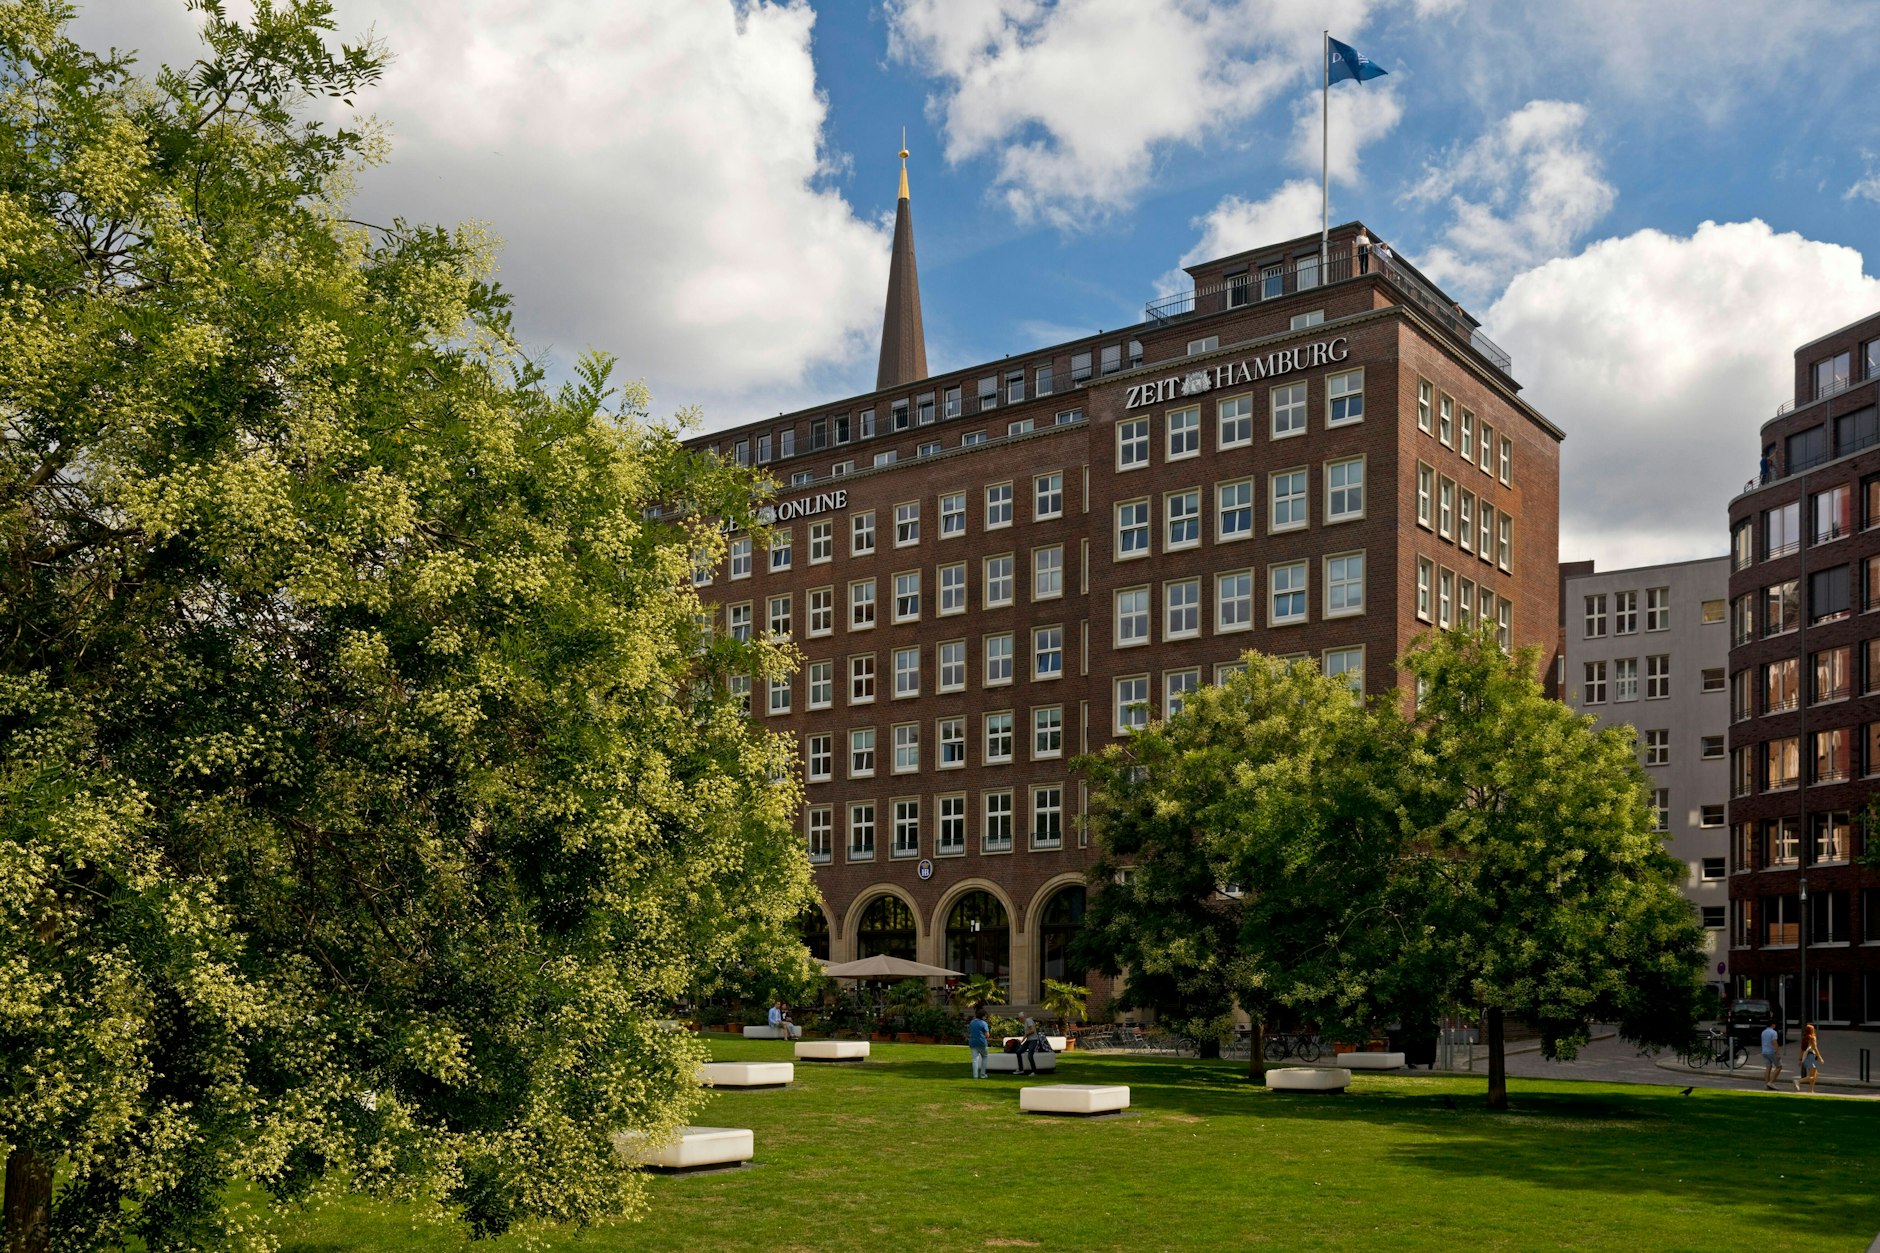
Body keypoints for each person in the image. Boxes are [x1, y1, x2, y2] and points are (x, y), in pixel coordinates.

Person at [1794, 1024, 1825, 1093]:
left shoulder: (1804, 1038)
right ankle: (1798, 1081)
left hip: (1806, 1058)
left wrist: (1800, 1060)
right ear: (1812, 1031)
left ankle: (1810, 1090)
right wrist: (1820, 1058)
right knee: (1813, 1076)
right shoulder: (1812, 1038)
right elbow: (1815, 1048)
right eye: (1813, 1029)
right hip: (1811, 1057)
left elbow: (1802, 1050)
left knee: (1815, 1074)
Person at [967, 1006, 990, 1079]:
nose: (986, 1018)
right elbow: (987, 1035)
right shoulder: (984, 1023)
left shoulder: (972, 1022)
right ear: (982, 1016)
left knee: (975, 1059)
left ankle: (975, 1075)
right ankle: (983, 1074)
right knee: (985, 1057)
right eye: (985, 1016)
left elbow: (969, 1031)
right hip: (982, 1042)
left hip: (972, 1042)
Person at [1760, 1021, 1782, 1089]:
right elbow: (1774, 1042)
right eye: (1774, 1024)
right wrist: (1777, 1053)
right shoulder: (1773, 1032)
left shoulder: (1763, 1032)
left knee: (1768, 1067)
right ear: (1772, 1024)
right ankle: (1771, 1082)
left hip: (1764, 1051)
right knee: (1779, 1066)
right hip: (1771, 1052)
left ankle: (1766, 1084)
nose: (1775, 1025)